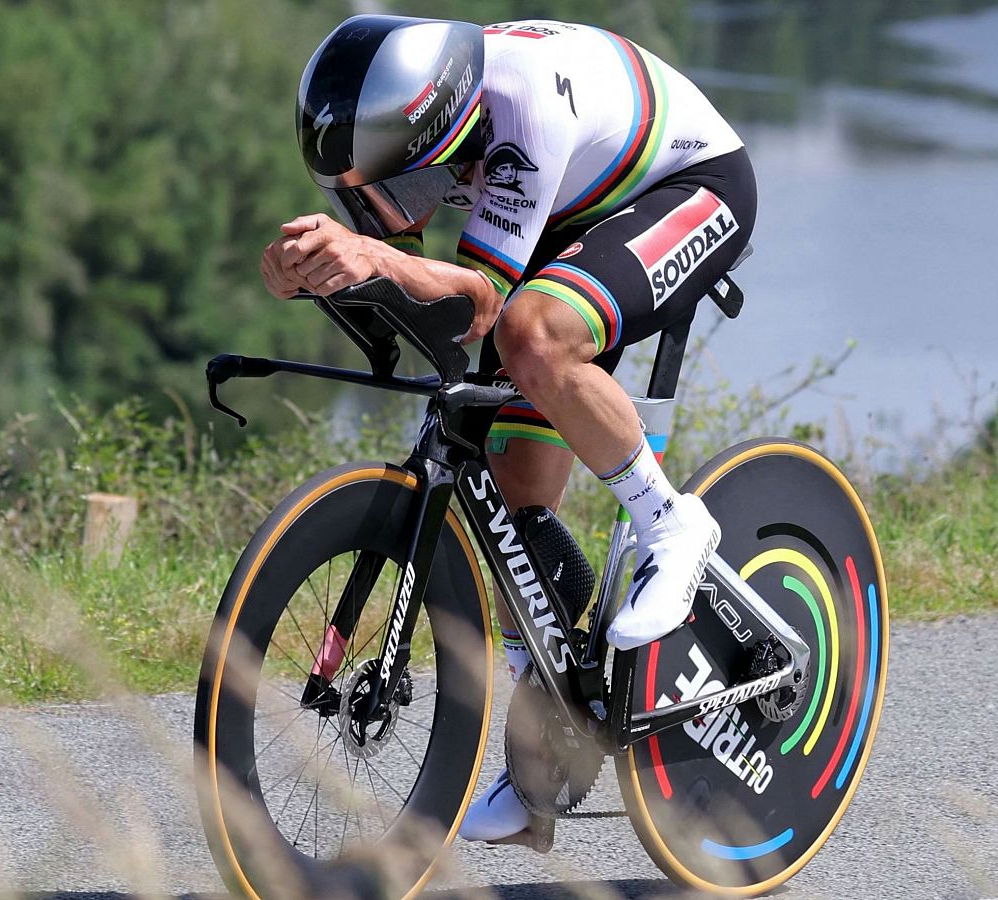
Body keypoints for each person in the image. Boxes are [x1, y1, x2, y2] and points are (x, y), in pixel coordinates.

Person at [260, 15, 756, 843]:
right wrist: (309, 269)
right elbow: (411, 278)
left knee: (532, 334)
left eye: (384, 181)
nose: (376, 198)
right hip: (569, 208)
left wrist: (375, 259)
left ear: (435, 129)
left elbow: (484, 302)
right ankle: (547, 740)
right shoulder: (403, 121)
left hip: (688, 185)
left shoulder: (522, 107)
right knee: (509, 502)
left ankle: (673, 523)